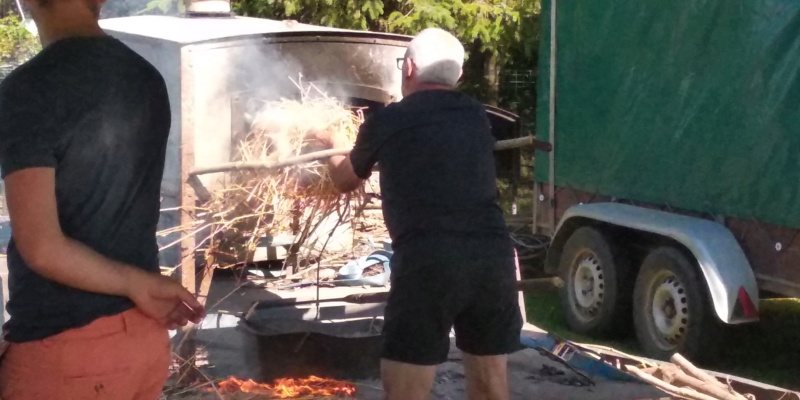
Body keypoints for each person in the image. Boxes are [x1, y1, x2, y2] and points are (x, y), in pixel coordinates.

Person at [0, 1, 205, 399]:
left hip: (69, 351)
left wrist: (136, 283)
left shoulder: (29, 89)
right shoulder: (145, 77)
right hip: (143, 339)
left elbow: (42, 247)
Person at [315, 28, 523, 400]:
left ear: (408, 67)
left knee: (405, 391)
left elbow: (344, 180)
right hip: (492, 258)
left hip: (429, 262)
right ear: (457, 76)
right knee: (492, 385)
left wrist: (331, 141)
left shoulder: (388, 120)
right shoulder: (476, 116)